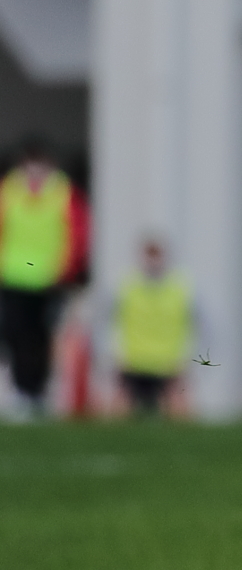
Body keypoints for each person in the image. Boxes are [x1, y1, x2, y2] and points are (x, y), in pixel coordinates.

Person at [0, 137, 90, 418]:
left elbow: (78, 233)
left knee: (40, 339)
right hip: (13, 276)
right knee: (14, 335)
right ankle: (21, 391)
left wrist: (69, 270)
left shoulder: (63, 193)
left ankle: (37, 392)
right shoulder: (9, 190)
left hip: (49, 279)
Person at [111, 235, 197, 418]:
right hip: (134, 361)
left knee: (180, 413)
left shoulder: (180, 288)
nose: (153, 262)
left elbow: (200, 325)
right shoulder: (127, 285)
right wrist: (113, 354)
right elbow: (109, 321)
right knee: (117, 414)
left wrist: (189, 356)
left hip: (169, 363)